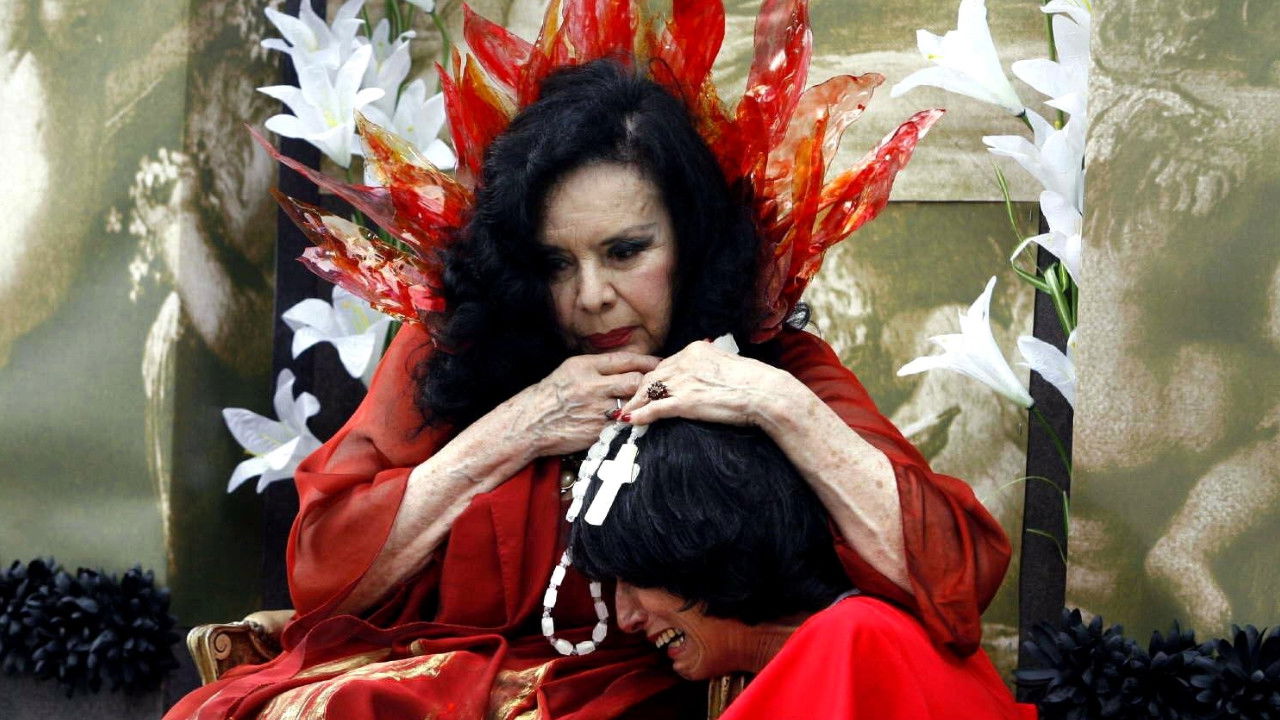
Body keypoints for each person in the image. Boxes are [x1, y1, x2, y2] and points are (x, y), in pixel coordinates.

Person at [166, 1, 1009, 717]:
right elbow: (323, 572)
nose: (591, 296)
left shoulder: (767, 357)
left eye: (625, 251)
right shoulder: (453, 351)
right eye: (556, 263)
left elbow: (956, 583)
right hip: (446, 683)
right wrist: (514, 430)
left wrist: (775, 405)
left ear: (690, 240)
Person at [570, 419, 1036, 719]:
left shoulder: (856, 643)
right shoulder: (839, 638)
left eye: (633, 580)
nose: (626, 617)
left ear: (706, 551)